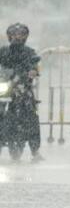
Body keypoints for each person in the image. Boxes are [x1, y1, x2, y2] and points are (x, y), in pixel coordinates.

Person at [0, 23, 42, 161]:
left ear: (25, 36)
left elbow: (35, 66)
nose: (17, 37)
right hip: (5, 87)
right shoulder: (3, 51)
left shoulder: (29, 52)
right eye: (15, 34)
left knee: (31, 115)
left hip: (23, 87)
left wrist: (33, 71)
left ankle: (35, 151)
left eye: (21, 34)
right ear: (9, 36)